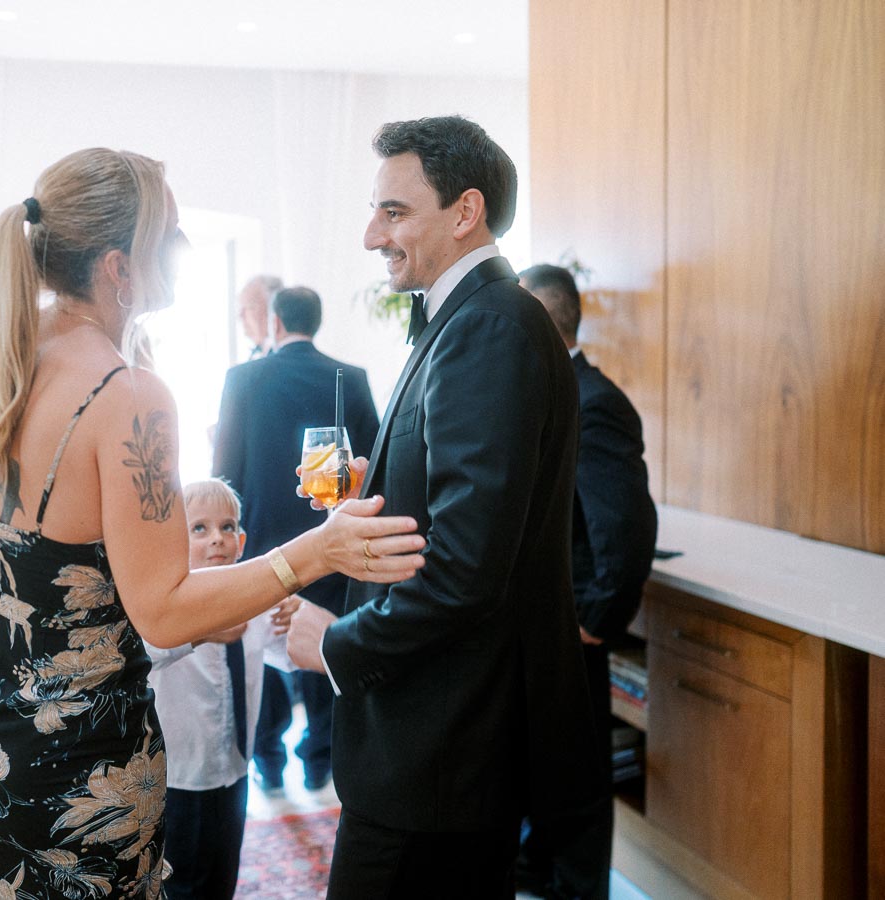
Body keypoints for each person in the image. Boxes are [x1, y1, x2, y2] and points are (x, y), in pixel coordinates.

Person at [0, 147, 425, 899]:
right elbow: (166, 611)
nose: (185, 250)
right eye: (172, 234)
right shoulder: (130, 395)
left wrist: (49, 538)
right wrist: (318, 548)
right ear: (120, 267)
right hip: (80, 762)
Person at [286, 116, 599, 898]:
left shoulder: (490, 327)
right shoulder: (475, 320)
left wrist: (338, 646)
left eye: (393, 212)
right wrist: (375, 492)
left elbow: (466, 571)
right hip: (442, 750)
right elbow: (469, 515)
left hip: (441, 749)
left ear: (465, 213)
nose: (371, 236)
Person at [517, 263, 658, 900]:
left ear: (547, 319)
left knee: (575, 777)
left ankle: (575, 887)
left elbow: (625, 530)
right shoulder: (543, 390)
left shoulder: (595, 403)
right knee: (543, 764)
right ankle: (537, 867)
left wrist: (596, 619)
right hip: (536, 618)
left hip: (574, 622)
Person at [213, 285, 380, 793]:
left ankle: (267, 759)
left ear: (276, 322)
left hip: (262, 542)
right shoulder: (349, 378)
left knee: (263, 652)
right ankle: (318, 760)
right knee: (319, 645)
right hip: (328, 537)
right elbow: (372, 466)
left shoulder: (242, 379)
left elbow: (224, 472)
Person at [146, 479, 298, 900]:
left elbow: (288, 653)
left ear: (242, 540)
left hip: (235, 769)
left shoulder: (254, 598)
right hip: (179, 779)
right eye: (200, 528)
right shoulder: (162, 606)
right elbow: (146, 653)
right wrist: (202, 631)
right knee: (180, 883)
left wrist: (295, 615)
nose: (217, 538)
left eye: (228, 527)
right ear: (175, 539)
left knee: (222, 875)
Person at [236, 274, 282, 360]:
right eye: (241, 308)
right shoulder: (256, 355)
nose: (240, 316)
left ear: (273, 311)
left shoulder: (283, 358)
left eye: (250, 307)